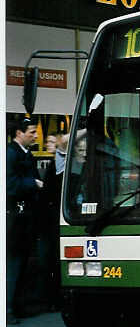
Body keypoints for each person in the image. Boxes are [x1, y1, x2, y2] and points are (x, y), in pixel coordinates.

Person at [6, 117, 44, 324]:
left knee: (21, 263)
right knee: (14, 263)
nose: (35, 135)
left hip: (25, 218)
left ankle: (16, 305)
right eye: (31, 132)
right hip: (15, 218)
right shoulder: (11, 154)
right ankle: (8, 307)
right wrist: (33, 183)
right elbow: (9, 185)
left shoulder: (24, 154)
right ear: (19, 133)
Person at [36, 132, 68, 312]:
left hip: (52, 220)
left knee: (52, 260)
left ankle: (52, 298)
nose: (47, 143)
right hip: (47, 221)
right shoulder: (51, 164)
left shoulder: (58, 164)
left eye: (51, 142)